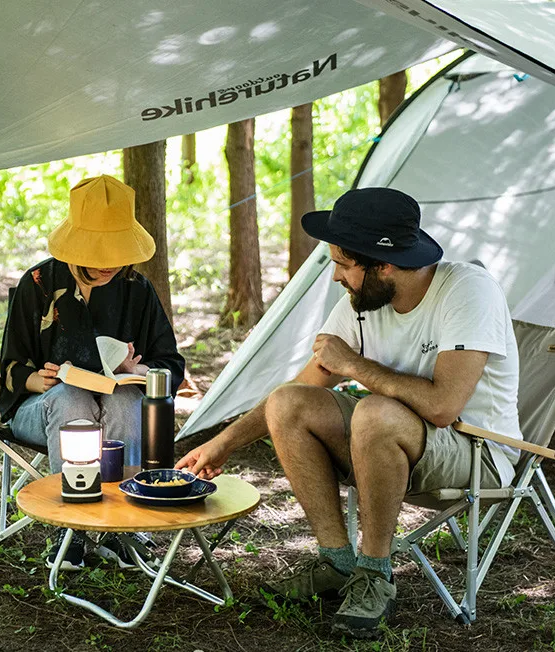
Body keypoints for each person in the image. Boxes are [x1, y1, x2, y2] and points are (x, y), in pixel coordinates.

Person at [176, 187, 521, 637]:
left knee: (374, 412)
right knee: (290, 403)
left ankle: (374, 574)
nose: (336, 276)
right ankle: (338, 564)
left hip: (476, 452)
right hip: (392, 442)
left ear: (384, 265)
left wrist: (355, 365)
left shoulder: (467, 290)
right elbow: (300, 389)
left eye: (343, 263)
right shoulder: (363, 302)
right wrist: (222, 444)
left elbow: (442, 407)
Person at [0, 175, 184, 570]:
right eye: (97, 254)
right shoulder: (37, 284)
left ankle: (125, 527)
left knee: (127, 398)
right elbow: (11, 369)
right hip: (44, 408)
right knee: (72, 398)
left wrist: (138, 369)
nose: (107, 265)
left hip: (116, 406)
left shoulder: (137, 289)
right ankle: (70, 533)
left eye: (116, 253)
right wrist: (39, 380)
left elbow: (171, 366)